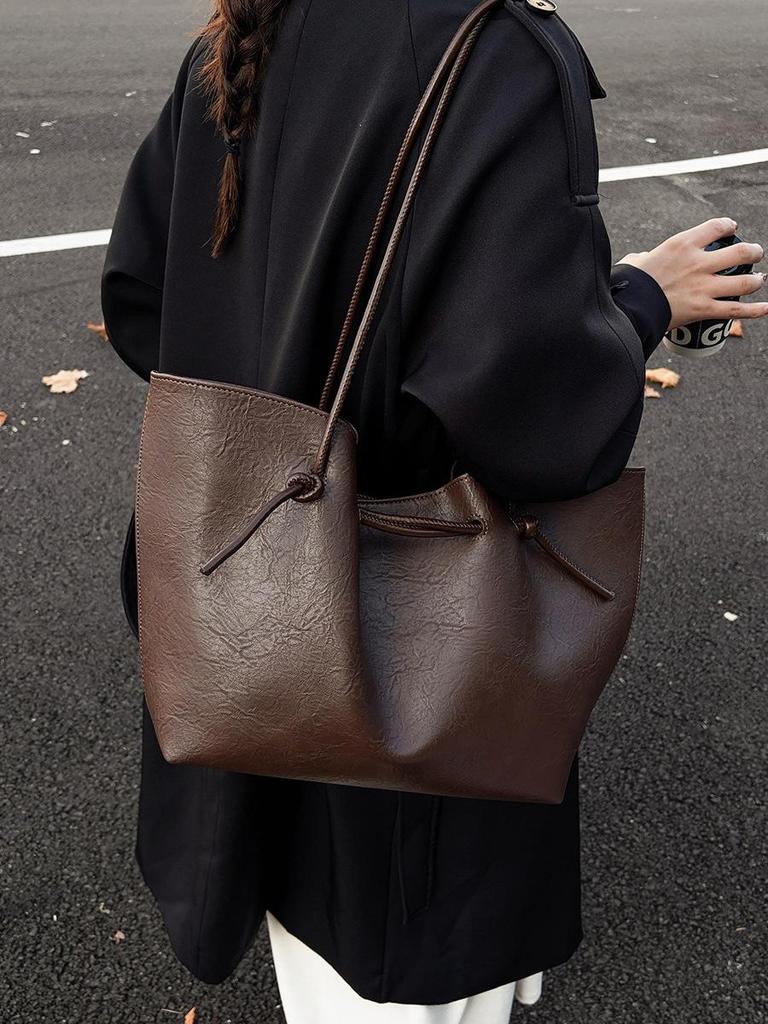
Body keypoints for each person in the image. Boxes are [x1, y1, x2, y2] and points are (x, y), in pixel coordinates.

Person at [101, 1, 768, 1020]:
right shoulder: (496, 51)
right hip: (406, 666)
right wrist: (641, 298)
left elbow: (143, 299)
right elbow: (538, 417)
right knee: (404, 971)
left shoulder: (250, 28)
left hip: (236, 621)